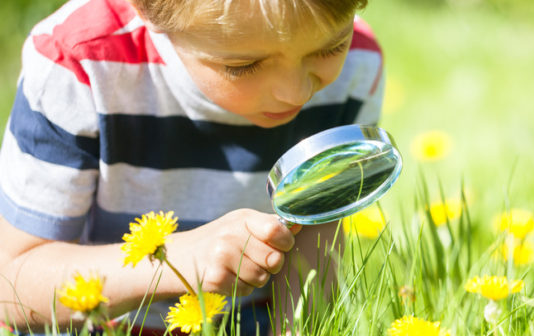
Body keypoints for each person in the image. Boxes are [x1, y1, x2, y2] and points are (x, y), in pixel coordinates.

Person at [0, 0, 384, 334]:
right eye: (244, 65)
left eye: (330, 47)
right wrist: (176, 262)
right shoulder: (80, 65)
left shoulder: (358, 65)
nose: (296, 92)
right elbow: (11, 288)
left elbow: (316, 241)